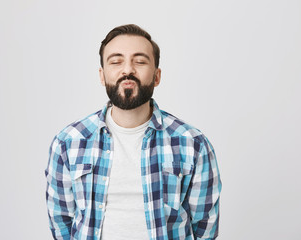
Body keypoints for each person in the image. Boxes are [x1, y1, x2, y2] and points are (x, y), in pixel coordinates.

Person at [45, 24, 222, 240]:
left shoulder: (193, 144)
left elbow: (205, 229)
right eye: (116, 61)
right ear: (102, 75)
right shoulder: (68, 143)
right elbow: (61, 223)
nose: (127, 70)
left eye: (140, 61)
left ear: (157, 76)